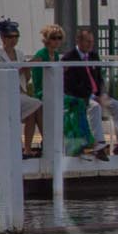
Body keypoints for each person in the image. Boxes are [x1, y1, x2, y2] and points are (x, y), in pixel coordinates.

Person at [27, 25, 96, 157]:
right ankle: (75, 144)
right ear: (47, 39)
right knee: (72, 105)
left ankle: (82, 140)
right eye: (53, 38)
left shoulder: (56, 55)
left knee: (78, 103)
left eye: (59, 38)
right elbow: (29, 66)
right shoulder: (42, 54)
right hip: (43, 92)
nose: (57, 41)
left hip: (54, 93)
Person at [66, 27, 118, 161]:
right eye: (87, 41)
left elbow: (99, 79)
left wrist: (102, 94)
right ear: (78, 41)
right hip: (81, 97)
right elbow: (71, 86)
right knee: (94, 107)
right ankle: (99, 146)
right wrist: (92, 96)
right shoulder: (69, 58)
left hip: (96, 95)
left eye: (92, 41)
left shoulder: (93, 55)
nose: (91, 44)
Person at [0, 18, 46, 153]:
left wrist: (28, 69)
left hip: (21, 92)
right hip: (6, 93)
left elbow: (25, 78)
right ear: (2, 37)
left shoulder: (20, 54)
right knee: (37, 104)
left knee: (33, 110)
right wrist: (24, 67)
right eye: (10, 36)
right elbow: (2, 75)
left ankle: (27, 148)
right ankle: (48, 139)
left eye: (16, 36)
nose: (13, 40)